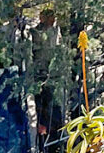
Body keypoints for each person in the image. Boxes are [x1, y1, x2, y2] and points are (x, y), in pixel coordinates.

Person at [30, 8, 64, 151]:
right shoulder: (36, 32)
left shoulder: (56, 31)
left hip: (55, 76)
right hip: (41, 76)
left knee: (55, 111)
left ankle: (56, 140)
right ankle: (44, 141)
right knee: (43, 110)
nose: (52, 20)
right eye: (48, 18)